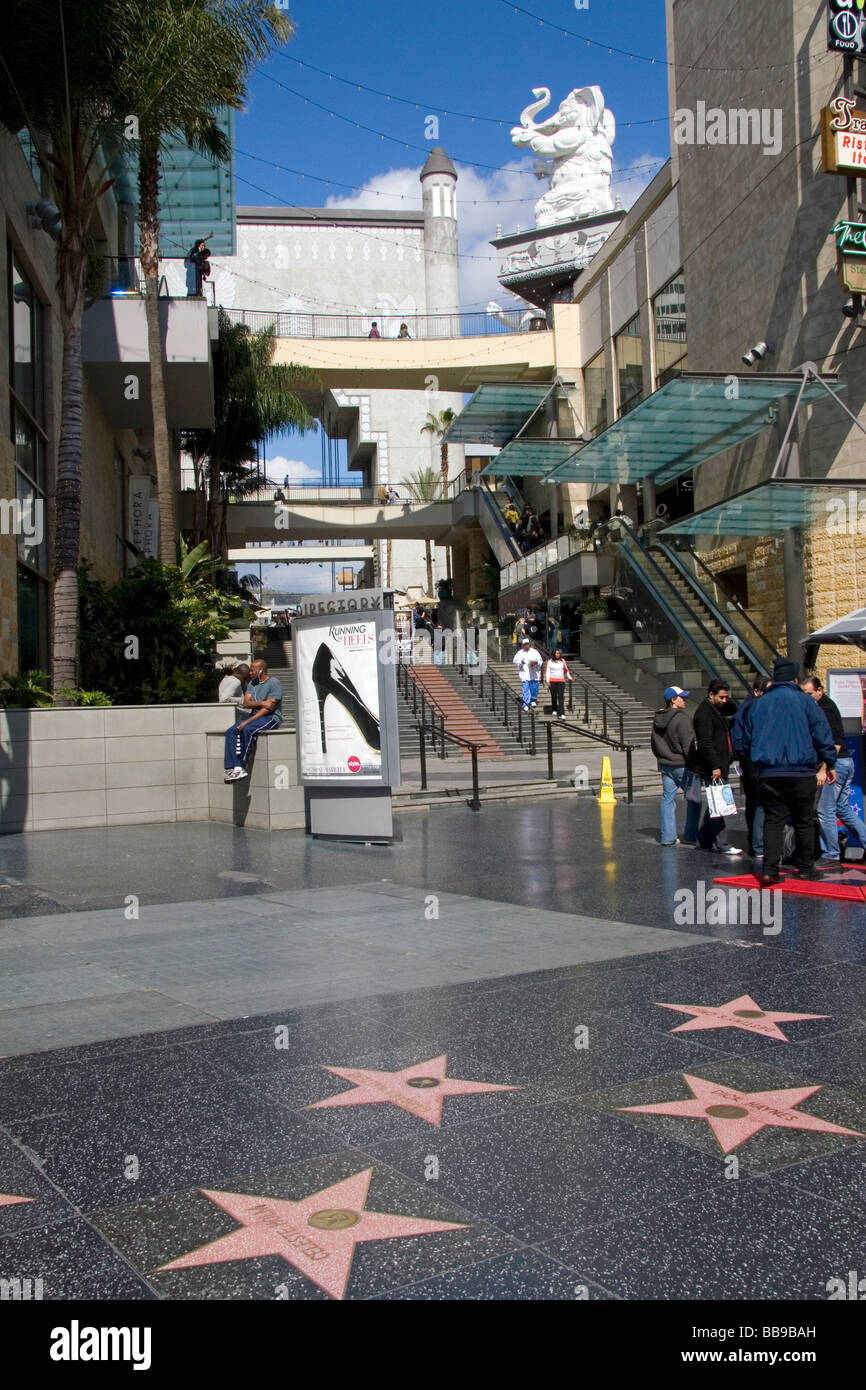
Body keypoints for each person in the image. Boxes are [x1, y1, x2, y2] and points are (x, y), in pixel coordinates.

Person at [743, 657, 837, 884]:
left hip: (769, 772)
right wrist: (829, 762)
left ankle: (769, 870)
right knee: (803, 820)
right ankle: (806, 868)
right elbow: (822, 733)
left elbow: (746, 738)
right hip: (801, 770)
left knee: (773, 821)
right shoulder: (806, 702)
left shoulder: (759, 704)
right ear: (795, 679)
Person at [801, 675, 866, 864]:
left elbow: (835, 744)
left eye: (809, 693)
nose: (806, 697)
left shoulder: (825, 710)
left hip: (837, 763)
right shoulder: (822, 707)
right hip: (845, 762)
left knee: (825, 810)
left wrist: (825, 768)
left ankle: (831, 853)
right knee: (842, 808)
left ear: (819, 691)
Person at [687, 678, 742, 855]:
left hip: (720, 764)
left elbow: (733, 709)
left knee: (715, 804)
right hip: (713, 767)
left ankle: (703, 839)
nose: (724, 700)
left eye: (726, 697)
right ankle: (722, 843)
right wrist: (715, 766)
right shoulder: (704, 713)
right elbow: (705, 743)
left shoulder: (715, 709)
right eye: (721, 697)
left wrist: (726, 700)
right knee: (720, 805)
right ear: (711, 694)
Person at [652, 686, 702, 847]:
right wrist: (694, 764)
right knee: (694, 799)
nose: (684, 700)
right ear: (673, 700)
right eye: (682, 697)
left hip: (666, 764)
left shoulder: (658, 718)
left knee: (667, 800)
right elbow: (688, 745)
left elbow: (654, 743)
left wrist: (662, 757)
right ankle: (691, 834)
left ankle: (668, 837)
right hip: (683, 765)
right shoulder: (682, 718)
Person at [223, 658, 282, 782]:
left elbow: (268, 708)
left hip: (270, 717)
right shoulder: (252, 684)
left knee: (247, 729)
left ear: (260, 670)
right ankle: (231, 768)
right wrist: (261, 702)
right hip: (254, 715)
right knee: (231, 731)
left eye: (252, 670)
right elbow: (246, 703)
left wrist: (247, 721)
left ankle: (241, 767)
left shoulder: (274, 683)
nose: (249, 673)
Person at [731, 675, 770, 859]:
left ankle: (755, 839)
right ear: (757, 692)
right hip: (754, 762)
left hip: (749, 761)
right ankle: (758, 843)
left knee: (754, 802)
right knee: (759, 802)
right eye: (767, 691)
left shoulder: (748, 707)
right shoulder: (754, 708)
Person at [513, 636, 543, 711]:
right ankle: (525, 704)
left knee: (534, 689)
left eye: (527, 644)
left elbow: (540, 661)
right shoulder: (520, 653)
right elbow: (515, 661)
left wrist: (535, 663)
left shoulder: (534, 651)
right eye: (525, 644)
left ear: (529, 644)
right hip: (525, 674)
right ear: (523, 645)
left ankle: (533, 700)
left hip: (534, 674)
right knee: (525, 690)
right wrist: (521, 662)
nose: (526, 645)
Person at [544, 648, 573, 719]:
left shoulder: (562, 661)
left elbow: (566, 670)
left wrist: (570, 677)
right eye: (556, 653)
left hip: (561, 681)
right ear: (554, 654)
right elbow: (547, 672)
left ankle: (561, 713)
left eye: (559, 653)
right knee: (554, 695)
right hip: (552, 681)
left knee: (561, 696)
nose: (558, 654)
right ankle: (554, 709)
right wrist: (547, 681)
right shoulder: (549, 662)